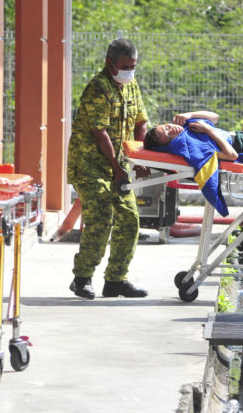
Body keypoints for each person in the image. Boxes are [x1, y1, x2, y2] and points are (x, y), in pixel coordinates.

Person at [67, 38, 150, 300]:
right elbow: (99, 131)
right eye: (125, 66)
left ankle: (116, 280)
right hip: (91, 164)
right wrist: (116, 166)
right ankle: (82, 279)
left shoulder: (131, 85)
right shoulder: (98, 87)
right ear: (109, 63)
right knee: (101, 216)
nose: (129, 71)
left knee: (129, 218)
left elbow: (141, 122)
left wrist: (141, 157)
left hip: (119, 166)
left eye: (133, 66)